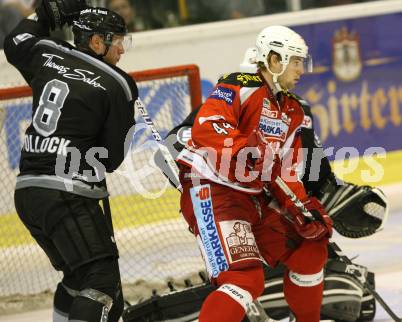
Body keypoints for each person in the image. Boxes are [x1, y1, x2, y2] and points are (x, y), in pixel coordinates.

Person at [175, 25, 332, 322]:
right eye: (295, 61)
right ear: (274, 60)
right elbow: (207, 126)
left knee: (311, 249)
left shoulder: (292, 110)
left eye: (302, 62)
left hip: (254, 196)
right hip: (214, 189)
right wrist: (243, 152)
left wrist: (300, 208)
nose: (301, 69)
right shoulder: (240, 84)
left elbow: (284, 169)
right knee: (244, 279)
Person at [4, 1, 139, 321]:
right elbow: (110, 159)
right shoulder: (117, 83)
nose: (122, 50)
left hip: (28, 193)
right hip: (66, 194)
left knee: (78, 280)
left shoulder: (48, 53)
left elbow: (14, 43)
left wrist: (46, 14)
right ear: (96, 42)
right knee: (102, 283)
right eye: (118, 41)